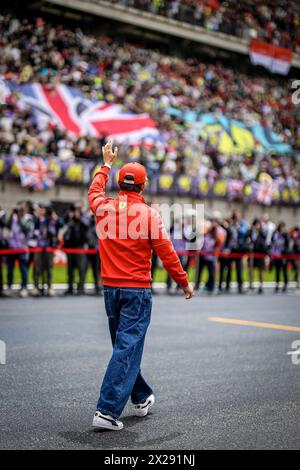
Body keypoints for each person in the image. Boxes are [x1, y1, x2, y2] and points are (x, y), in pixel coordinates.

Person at [88, 140, 193, 431]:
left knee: (124, 347)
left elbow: (94, 192)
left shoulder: (104, 207)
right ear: (143, 187)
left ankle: (141, 396)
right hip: (136, 291)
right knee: (126, 347)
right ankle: (107, 410)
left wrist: (106, 164)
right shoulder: (150, 215)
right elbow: (167, 254)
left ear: (120, 183)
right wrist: (183, 283)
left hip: (110, 290)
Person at [32, 204, 61, 297]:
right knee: (37, 268)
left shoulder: (51, 220)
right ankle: (36, 287)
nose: (41, 211)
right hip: (39, 246)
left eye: (43, 209)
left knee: (49, 268)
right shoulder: (36, 219)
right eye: (40, 209)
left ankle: (49, 287)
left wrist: (55, 217)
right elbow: (33, 231)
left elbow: (60, 225)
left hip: (49, 247)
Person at [5, 204, 33, 298]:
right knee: (9, 269)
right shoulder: (14, 217)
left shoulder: (28, 218)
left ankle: (24, 287)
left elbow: (26, 229)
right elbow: (7, 226)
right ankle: (9, 286)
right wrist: (12, 214)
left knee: (23, 269)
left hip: (22, 247)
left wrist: (20, 217)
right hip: (12, 247)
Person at [63, 205, 89, 295]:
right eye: (74, 212)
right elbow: (64, 226)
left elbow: (87, 226)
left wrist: (80, 218)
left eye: (77, 211)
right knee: (70, 270)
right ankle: (70, 287)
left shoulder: (83, 221)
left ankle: (80, 288)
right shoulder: (70, 222)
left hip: (80, 248)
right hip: (70, 248)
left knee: (81, 269)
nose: (75, 213)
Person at [247, 218, 267, 294]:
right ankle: (250, 284)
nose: (257, 226)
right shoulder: (250, 232)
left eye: (258, 224)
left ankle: (261, 286)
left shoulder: (262, 233)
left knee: (261, 271)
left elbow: (264, 242)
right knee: (250, 270)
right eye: (255, 224)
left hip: (260, 254)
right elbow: (247, 238)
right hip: (252, 254)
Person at [271, 222, 290, 293]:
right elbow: (272, 242)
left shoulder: (285, 235)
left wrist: (286, 254)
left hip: (283, 255)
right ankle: (277, 284)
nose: (282, 229)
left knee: (284, 270)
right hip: (276, 255)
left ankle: (285, 284)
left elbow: (287, 245)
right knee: (277, 271)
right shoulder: (275, 234)